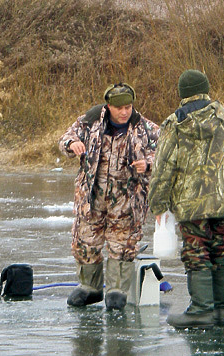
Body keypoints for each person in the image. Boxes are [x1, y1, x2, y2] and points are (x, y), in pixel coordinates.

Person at [148, 69, 224, 328]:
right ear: (206, 88)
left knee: (197, 251)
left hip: (191, 201)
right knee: (222, 248)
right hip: (223, 200)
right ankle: (221, 312)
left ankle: (201, 310)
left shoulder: (176, 122)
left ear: (182, 93)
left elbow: (163, 167)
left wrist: (158, 203)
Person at [58, 82, 159, 310]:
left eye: (128, 107)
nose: (124, 112)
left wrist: (149, 164)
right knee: (85, 240)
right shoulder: (90, 121)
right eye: (119, 108)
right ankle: (90, 287)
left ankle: (116, 290)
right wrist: (72, 143)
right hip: (91, 196)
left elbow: (166, 154)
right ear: (109, 106)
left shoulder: (146, 128)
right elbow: (64, 139)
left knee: (122, 243)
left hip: (127, 199)